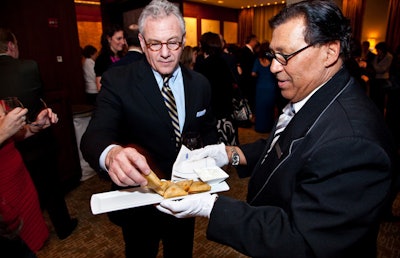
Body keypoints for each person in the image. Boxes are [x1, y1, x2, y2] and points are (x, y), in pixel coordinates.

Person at [156, 1, 397, 257]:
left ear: (330, 52)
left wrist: (211, 207)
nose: (273, 67)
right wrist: (229, 153)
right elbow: (289, 148)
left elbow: (303, 242)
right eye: (273, 55)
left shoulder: (352, 143)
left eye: (285, 56)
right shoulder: (318, 96)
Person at [80, 0, 218, 257]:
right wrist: (111, 154)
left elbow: (208, 132)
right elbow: (94, 135)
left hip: (184, 199)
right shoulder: (119, 80)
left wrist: (209, 162)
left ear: (184, 40)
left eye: (173, 42)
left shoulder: (200, 84)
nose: (165, 52)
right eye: (155, 43)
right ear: (142, 43)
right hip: (139, 201)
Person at [0, 28, 78, 240]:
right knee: (48, 188)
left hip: (21, 149)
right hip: (16, 163)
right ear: (11, 46)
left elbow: (19, 131)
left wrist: (36, 126)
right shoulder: (28, 67)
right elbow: (38, 96)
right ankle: (62, 226)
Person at [0, 91, 59, 254]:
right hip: (3, 198)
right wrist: (2, 131)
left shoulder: (3, 101)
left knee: (30, 245)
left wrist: (36, 126)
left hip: (21, 184)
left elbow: (16, 135)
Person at [195, 32, 238, 146]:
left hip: (212, 119)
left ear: (203, 45)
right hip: (226, 115)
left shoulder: (202, 65)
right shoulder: (222, 62)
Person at [251, 41, 278, 133]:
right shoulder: (272, 61)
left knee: (260, 107)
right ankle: (268, 127)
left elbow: (253, 73)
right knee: (269, 108)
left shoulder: (258, 60)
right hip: (271, 86)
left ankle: (259, 127)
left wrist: (259, 75)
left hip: (260, 87)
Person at [94, 24, 125, 91]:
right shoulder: (101, 60)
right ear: (109, 39)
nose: (123, 42)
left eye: (123, 38)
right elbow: (100, 88)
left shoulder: (123, 56)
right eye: (119, 39)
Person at [237, 34, 259, 115]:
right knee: (247, 99)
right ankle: (247, 116)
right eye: (255, 41)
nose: (256, 43)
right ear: (252, 40)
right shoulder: (244, 51)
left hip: (249, 80)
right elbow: (246, 66)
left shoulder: (250, 51)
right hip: (247, 80)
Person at [370, 42, 393, 114]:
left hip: (383, 80)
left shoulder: (389, 57)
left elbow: (382, 69)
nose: (377, 51)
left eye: (378, 50)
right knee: (373, 98)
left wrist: (374, 68)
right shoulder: (377, 56)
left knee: (380, 99)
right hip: (375, 79)